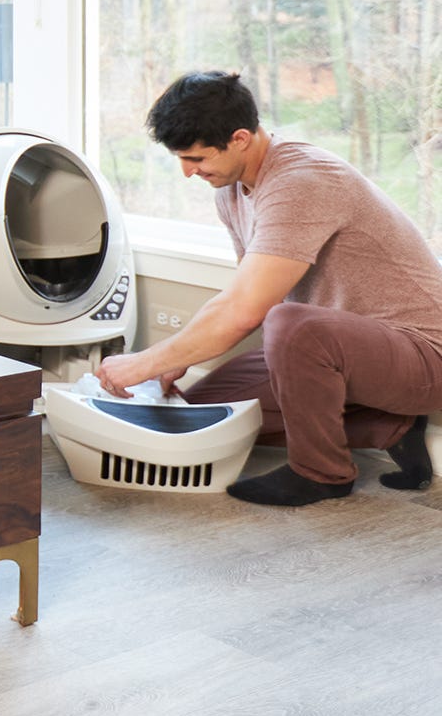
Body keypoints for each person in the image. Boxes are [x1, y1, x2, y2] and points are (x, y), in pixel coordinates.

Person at [94, 71, 442, 506]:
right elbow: (242, 292)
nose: (187, 172)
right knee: (206, 412)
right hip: (349, 349)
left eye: (197, 159)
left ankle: (323, 475)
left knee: (290, 324)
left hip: (426, 354)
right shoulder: (232, 190)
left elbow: (249, 310)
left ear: (240, 138)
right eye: (180, 159)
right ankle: (388, 427)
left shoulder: (301, 182)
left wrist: (143, 362)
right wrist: (174, 355)